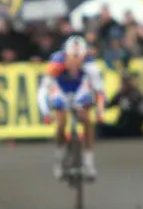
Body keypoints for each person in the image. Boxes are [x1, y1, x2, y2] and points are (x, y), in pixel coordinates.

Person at [37, 35, 104, 180]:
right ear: (65, 55)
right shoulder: (56, 63)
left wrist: (100, 112)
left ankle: (89, 162)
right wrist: (46, 113)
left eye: (79, 58)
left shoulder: (90, 65)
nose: (76, 62)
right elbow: (43, 90)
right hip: (60, 92)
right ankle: (59, 158)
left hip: (80, 91)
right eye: (72, 58)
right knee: (61, 123)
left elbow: (99, 91)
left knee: (87, 121)